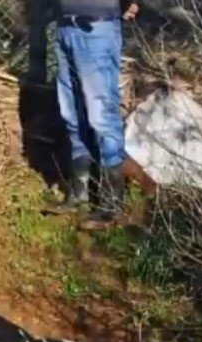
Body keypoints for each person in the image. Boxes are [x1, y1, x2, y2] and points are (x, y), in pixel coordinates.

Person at [51, 0, 139, 228]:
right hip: (65, 28)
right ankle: (80, 192)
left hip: (95, 30)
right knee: (71, 113)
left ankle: (112, 207)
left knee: (102, 117)